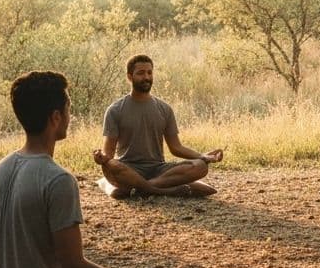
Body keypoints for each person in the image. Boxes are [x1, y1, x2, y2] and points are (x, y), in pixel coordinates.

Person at [0, 71, 183, 268]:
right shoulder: (58, 179)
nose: (69, 116)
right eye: (68, 110)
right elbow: (74, 267)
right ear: (55, 117)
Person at [94, 55, 223, 198]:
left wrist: (203, 156)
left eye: (149, 72)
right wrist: (101, 157)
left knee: (200, 166)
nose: (146, 77)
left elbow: (176, 147)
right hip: (129, 169)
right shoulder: (115, 110)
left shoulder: (164, 109)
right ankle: (163, 190)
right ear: (130, 77)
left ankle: (141, 188)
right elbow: (109, 154)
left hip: (158, 169)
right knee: (111, 165)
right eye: (141, 73)